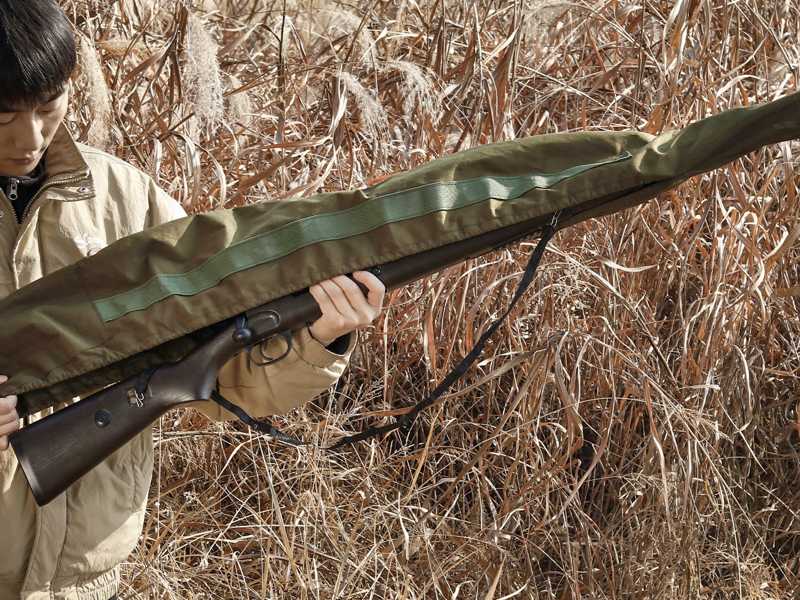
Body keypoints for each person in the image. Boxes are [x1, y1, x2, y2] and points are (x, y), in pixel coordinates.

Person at [0, 1, 385, 599]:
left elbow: (223, 368)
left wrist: (318, 337)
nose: (30, 138)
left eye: (50, 108)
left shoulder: (124, 198)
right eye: (3, 118)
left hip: (86, 580)